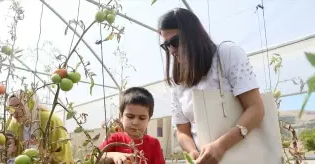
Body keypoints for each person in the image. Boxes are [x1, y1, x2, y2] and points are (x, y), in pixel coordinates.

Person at [158, 8, 265, 164]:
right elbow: (182, 131)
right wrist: (193, 152)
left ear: (193, 34)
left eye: (175, 42)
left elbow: (256, 109)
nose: (172, 50)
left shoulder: (226, 54)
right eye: (166, 45)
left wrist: (221, 146)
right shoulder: (178, 82)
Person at [0, 89, 73, 164]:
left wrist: (42, 156)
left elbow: (62, 153)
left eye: (18, 106)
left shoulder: (51, 120)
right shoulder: (14, 125)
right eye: (10, 107)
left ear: (31, 105)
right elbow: (8, 152)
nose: (14, 112)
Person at [99, 87, 165, 164]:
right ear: (121, 117)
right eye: (130, 116)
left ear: (149, 119)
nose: (135, 122)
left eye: (142, 118)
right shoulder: (115, 139)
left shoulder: (153, 144)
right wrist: (113, 156)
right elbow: (94, 158)